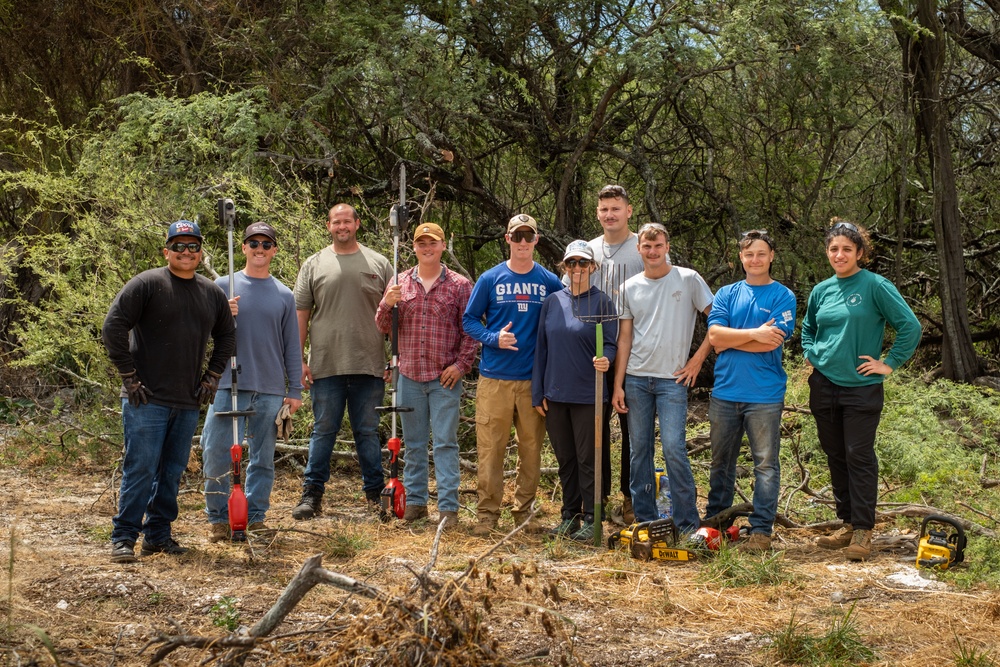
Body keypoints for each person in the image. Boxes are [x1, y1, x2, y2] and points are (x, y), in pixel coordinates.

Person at [102, 220, 236, 563]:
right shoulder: (147, 283)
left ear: (201, 251)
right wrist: (129, 376)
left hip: (188, 400)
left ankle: (158, 536)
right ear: (167, 251)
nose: (186, 252)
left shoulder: (211, 293)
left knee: (172, 471)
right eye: (179, 246)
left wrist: (213, 375)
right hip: (145, 398)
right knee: (141, 469)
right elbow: (113, 326)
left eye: (193, 246)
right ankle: (124, 538)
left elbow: (227, 335)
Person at [802, 218, 921, 561]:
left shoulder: (874, 285)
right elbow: (808, 328)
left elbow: (909, 327)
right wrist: (812, 353)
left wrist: (889, 363)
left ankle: (864, 530)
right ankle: (848, 522)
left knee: (858, 454)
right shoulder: (822, 290)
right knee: (835, 453)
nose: (839, 255)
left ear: (860, 253)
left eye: (846, 249)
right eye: (833, 249)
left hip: (862, 388)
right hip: (823, 385)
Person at [463, 213, 565, 537]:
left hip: (533, 382)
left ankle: (524, 514)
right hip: (494, 379)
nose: (522, 242)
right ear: (507, 239)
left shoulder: (549, 281)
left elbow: (566, 319)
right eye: (516, 236)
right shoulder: (490, 279)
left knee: (531, 450)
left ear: (536, 240)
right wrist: (494, 337)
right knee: (491, 449)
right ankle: (487, 516)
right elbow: (469, 321)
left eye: (528, 236)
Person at [201, 222, 303, 541]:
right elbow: (200, 334)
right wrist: (220, 315)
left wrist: (295, 389)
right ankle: (218, 518)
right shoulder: (222, 286)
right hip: (229, 385)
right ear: (243, 247)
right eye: (253, 243)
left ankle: (256, 516)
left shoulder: (285, 295)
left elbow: (291, 346)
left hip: (270, 389)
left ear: (274, 250)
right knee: (215, 449)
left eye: (266, 244)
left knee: (262, 458)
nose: (259, 249)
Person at [292, 204, 393, 519]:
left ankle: (376, 496)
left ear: (357, 224)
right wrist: (299, 360)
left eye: (347, 221)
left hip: (370, 364)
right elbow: (301, 315)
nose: (342, 226)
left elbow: (397, 313)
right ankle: (311, 496)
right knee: (323, 430)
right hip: (326, 364)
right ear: (328, 226)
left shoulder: (380, 262)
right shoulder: (314, 264)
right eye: (337, 221)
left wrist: (395, 358)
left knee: (367, 431)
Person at [611, 223, 713, 534]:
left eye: (658, 246)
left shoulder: (688, 279)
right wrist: (618, 383)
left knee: (673, 448)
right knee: (639, 450)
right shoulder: (629, 287)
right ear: (639, 249)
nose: (652, 252)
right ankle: (646, 521)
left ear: (667, 246)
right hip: (637, 379)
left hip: (673, 381)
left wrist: (696, 360)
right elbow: (625, 339)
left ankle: (686, 523)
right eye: (646, 246)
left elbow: (718, 320)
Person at [375, 222, 477, 529]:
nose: (427, 247)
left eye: (432, 242)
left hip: (444, 378)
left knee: (445, 443)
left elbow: (470, 331)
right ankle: (416, 504)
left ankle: (448, 508)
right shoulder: (400, 282)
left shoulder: (459, 285)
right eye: (421, 243)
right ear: (414, 247)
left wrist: (460, 366)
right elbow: (382, 326)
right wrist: (387, 303)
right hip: (408, 375)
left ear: (443, 246)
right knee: (415, 443)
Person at [703, 230, 797, 552]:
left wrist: (733, 340)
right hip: (725, 392)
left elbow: (773, 341)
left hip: (765, 396)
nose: (754, 260)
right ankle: (717, 525)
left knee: (766, 465)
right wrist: (755, 333)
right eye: (748, 254)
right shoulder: (727, 293)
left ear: (772, 256)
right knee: (721, 463)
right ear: (740, 258)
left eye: (761, 253)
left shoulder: (783, 296)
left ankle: (760, 532)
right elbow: (714, 337)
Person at [533, 240, 617, 541]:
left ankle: (594, 517)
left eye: (583, 263)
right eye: (572, 264)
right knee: (565, 459)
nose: (577, 269)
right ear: (564, 267)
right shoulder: (553, 301)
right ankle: (569, 516)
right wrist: (538, 390)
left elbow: (610, 342)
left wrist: (607, 358)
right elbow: (541, 349)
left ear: (592, 267)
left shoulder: (603, 302)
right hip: (556, 394)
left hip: (589, 394)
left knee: (588, 459)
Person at [587, 184, 645, 524]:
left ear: (629, 210)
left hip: (636, 353)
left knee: (633, 433)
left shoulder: (643, 248)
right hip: (596, 353)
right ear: (598, 213)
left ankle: (631, 498)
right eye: (605, 209)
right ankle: (600, 496)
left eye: (616, 208)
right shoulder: (589, 251)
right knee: (597, 429)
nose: (610, 214)